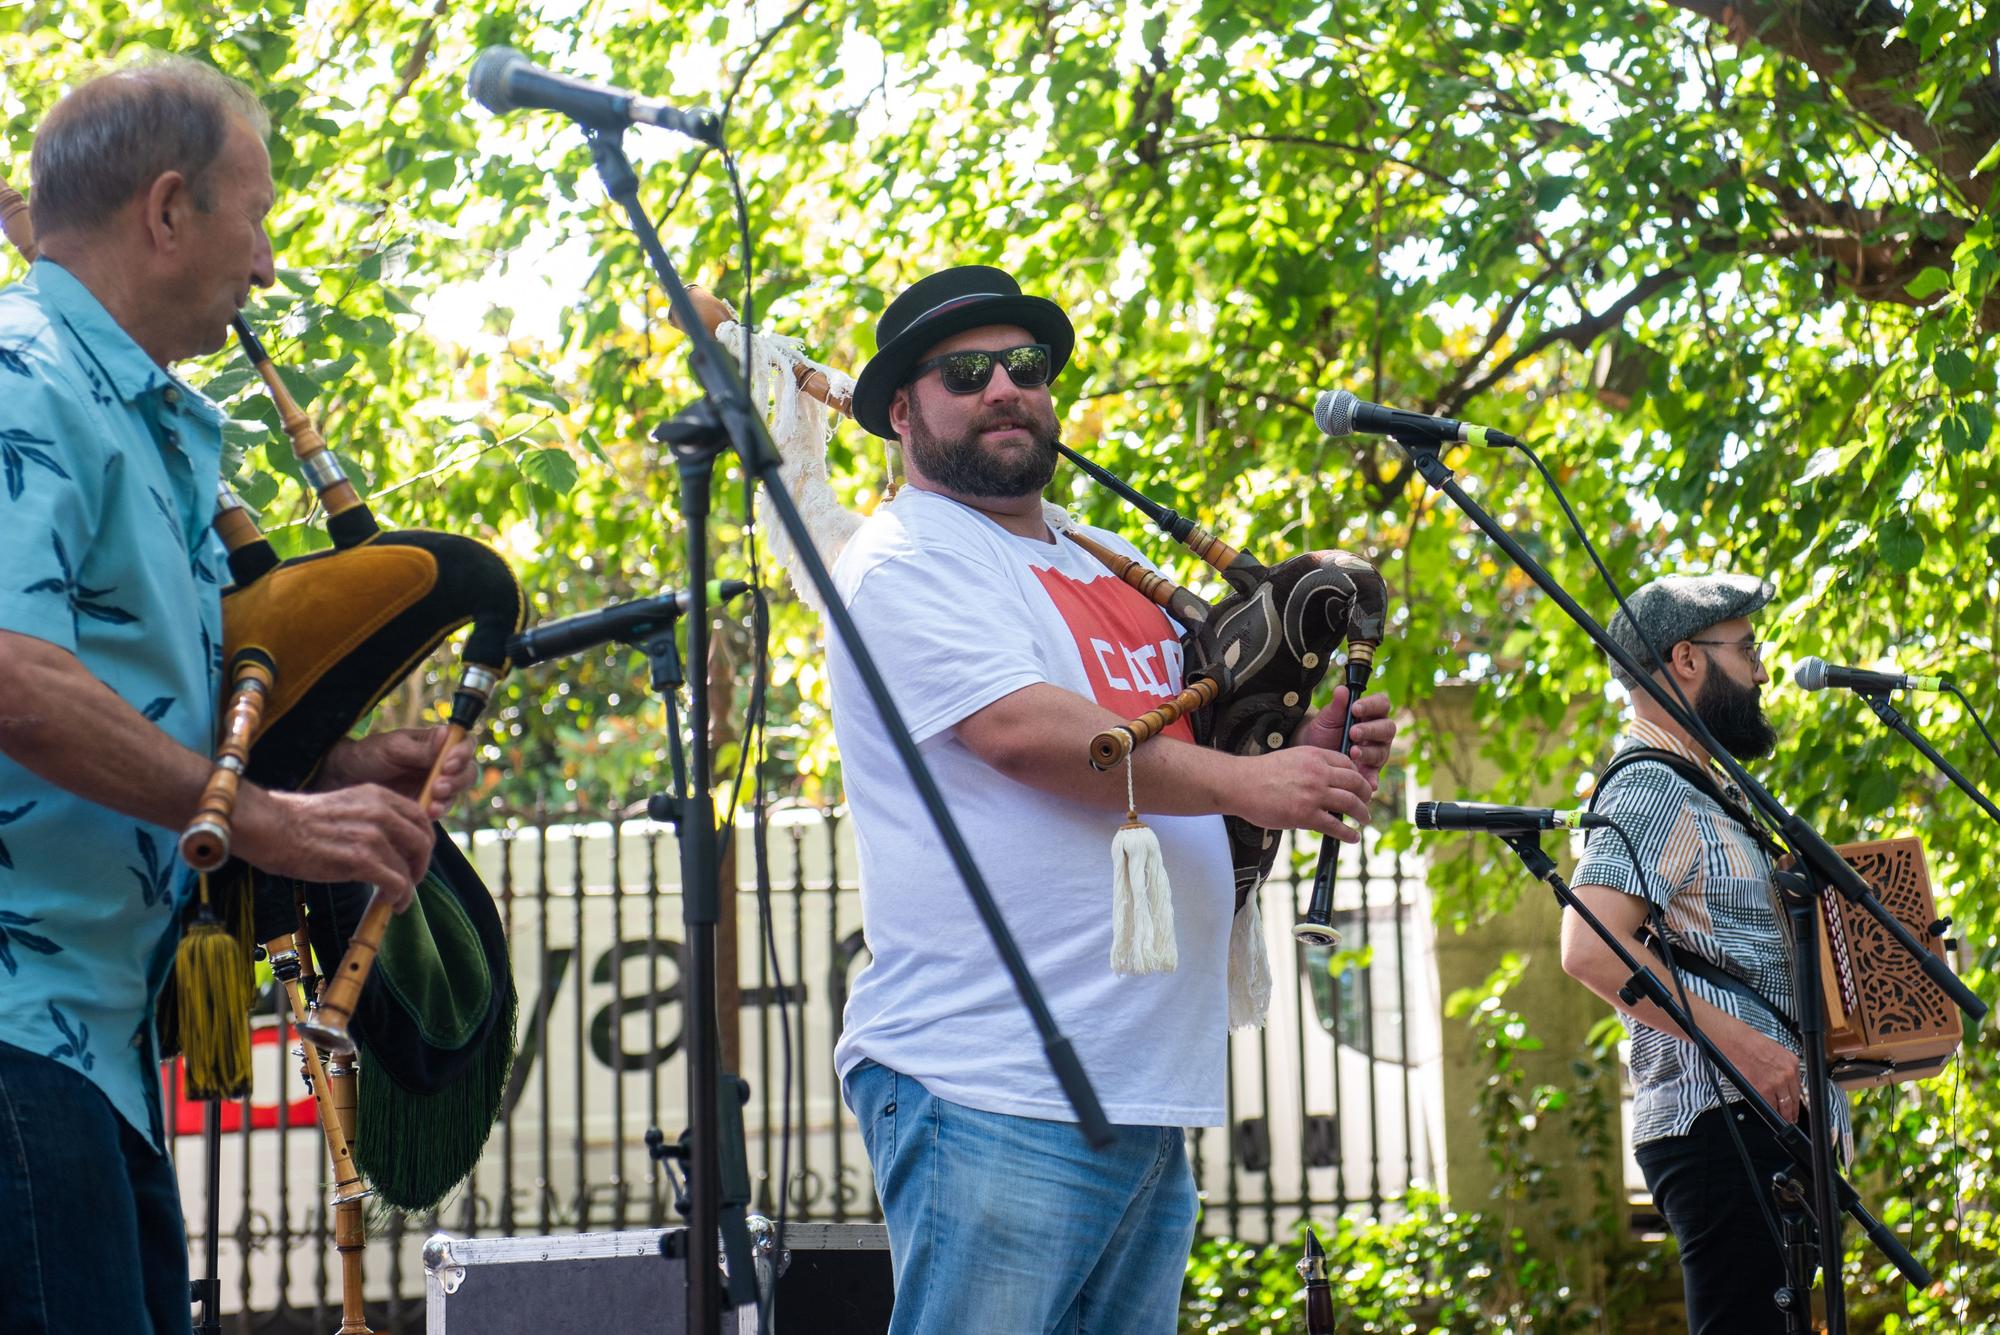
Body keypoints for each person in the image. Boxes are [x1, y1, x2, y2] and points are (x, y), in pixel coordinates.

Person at [826, 265, 1397, 1334]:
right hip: (990, 1080)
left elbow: (1191, 749)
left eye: (1024, 366)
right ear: (901, 410)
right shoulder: (905, 558)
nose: (1002, 386)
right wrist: (1251, 782)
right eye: (964, 371)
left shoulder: (1108, 560)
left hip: (1141, 1083)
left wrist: (1304, 751)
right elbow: (1017, 731)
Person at [0, 59, 471, 1335]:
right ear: (166, 210)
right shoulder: (16, 374)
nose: (267, 264)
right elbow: (12, 679)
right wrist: (261, 823)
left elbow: (168, 709)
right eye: (255, 217)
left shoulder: (150, 421)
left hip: (95, 1052)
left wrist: (332, 776)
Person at [1559, 574, 1849, 1334]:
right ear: (1685, 658)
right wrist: (1750, 1051)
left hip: (1758, 1130)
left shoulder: (1703, 786)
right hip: (1722, 1126)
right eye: (1746, 648)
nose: (1760, 669)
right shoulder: (1651, 786)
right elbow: (1590, 945)